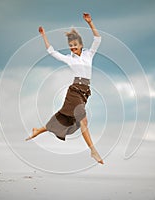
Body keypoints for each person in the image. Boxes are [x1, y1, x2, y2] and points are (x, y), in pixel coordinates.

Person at [26, 13, 103, 164]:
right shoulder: (69, 58)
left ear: (81, 45)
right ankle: (93, 151)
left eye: (75, 45)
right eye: (71, 46)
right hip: (74, 91)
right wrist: (44, 36)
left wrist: (90, 23)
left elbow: (98, 39)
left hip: (85, 92)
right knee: (83, 121)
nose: (73, 47)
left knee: (65, 119)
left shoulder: (89, 54)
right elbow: (52, 52)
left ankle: (38, 130)